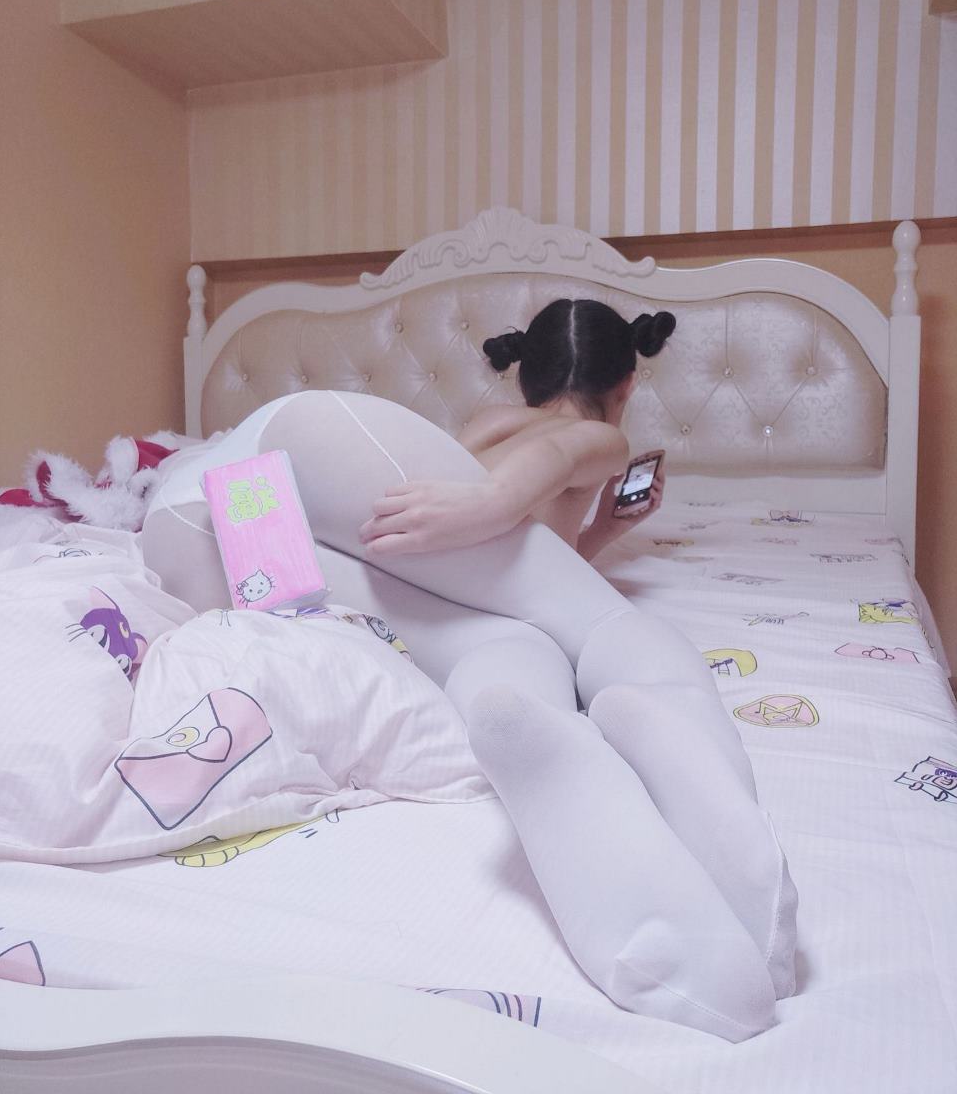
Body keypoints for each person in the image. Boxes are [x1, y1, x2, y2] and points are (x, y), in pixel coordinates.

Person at [141, 298, 796, 1042]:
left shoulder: (484, 424)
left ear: (523, 373)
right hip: (295, 449)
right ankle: (726, 842)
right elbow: (553, 459)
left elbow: (474, 571)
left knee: (502, 645)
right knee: (608, 628)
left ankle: (520, 718)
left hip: (191, 530)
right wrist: (494, 501)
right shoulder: (600, 437)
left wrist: (585, 532)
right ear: (626, 385)